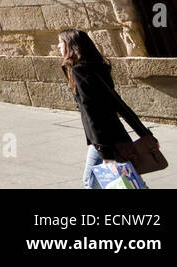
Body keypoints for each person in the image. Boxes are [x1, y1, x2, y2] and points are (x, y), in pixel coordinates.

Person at [60, 28, 157, 188]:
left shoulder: (79, 71)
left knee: (91, 182)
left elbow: (91, 113)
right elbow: (118, 103)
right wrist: (144, 133)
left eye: (61, 42)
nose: (58, 46)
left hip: (103, 140)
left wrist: (104, 152)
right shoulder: (97, 67)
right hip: (113, 136)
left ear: (70, 45)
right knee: (128, 180)